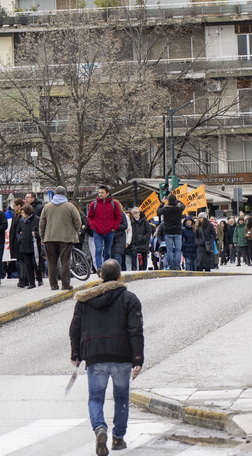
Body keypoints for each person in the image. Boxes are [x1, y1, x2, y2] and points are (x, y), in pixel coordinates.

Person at [69, 259, 144, 455]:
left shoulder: (85, 299)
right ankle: (118, 438)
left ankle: (100, 428)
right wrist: (138, 359)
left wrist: (76, 354)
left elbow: (75, 329)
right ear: (120, 276)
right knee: (121, 397)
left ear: (100, 275)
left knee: (95, 398)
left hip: (95, 356)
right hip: (122, 355)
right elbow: (135, 330)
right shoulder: (129, 299)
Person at [38, 187, 81, 290]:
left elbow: (42, 223)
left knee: (51, 262)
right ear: (65, 194)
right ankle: (65, 284)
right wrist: (76, 231)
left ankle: (53, 284)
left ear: (55, 194)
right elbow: (77, 221)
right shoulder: (70, 206)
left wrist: (42, 236)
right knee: (65, 261)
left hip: (50, 238)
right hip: (66, 238)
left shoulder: (47, 207)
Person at [15, 205, 42, 289]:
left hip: (35, 245)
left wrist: (36, 234)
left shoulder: (37, 219)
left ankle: (39, 279)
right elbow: (17, 231)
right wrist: (20, 238)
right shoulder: (21, 221)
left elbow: (42, 231)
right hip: (24, 245)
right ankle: (31, 282)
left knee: (36, 263)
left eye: (23, 213)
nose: (22, 214)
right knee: (28, 265)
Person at [156, 194, 184, 271]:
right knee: (178, 250)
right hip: (177, 231)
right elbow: (183, 205)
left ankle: (171, 265)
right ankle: (177, 266)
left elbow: (158, 210)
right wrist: (177, 201)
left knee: (169, 250)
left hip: (168, 231)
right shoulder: (178, 209)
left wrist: (162, 202)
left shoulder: (165, 209)